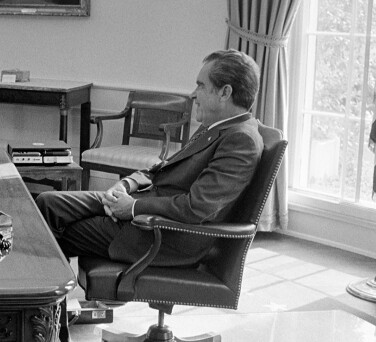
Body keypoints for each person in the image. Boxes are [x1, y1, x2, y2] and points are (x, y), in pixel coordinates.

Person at [36, 49, 264, 266]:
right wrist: (127, 184)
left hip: (160, 235)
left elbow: (196, 207)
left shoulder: (241, 140)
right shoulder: (215, 127)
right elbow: (165, 168)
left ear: (225, 92)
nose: (193, 94)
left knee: (47, 233)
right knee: (48, 202)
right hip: (142, 206)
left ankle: (42, 289)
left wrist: (134, 207)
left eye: (201, 85)